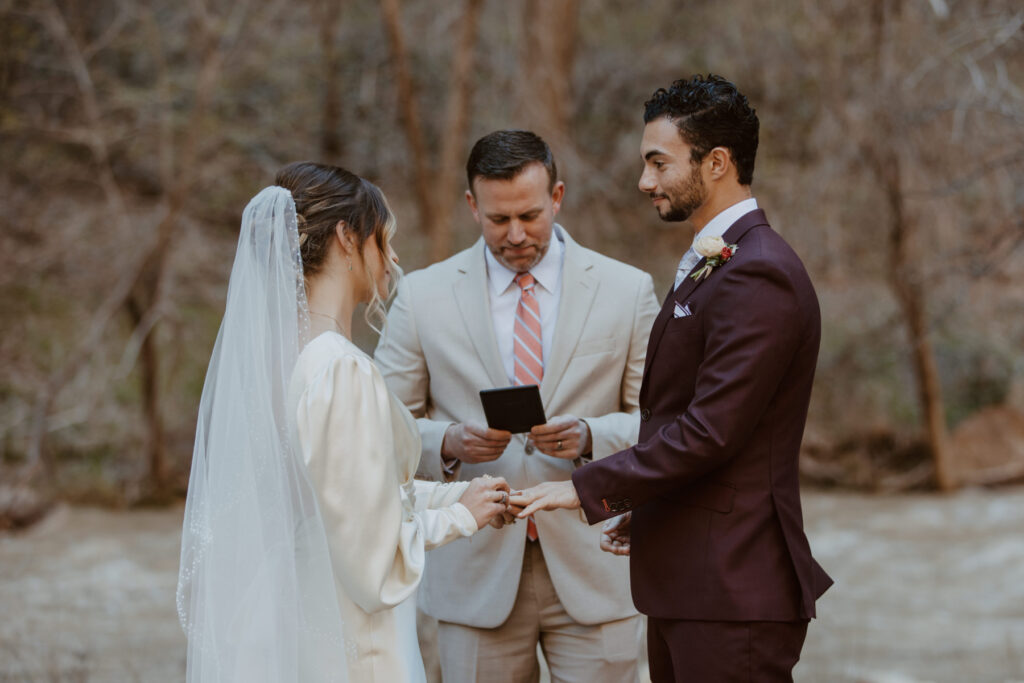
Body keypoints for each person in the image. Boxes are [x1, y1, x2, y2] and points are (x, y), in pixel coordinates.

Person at [513, 75, 834, 682]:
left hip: (733, 590)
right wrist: (659, 507)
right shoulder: (721, 263)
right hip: (694, 580)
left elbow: (711, 431)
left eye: (659, 163)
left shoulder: (759, 274)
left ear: (717, 163)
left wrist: (583, 488)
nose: (644, 181)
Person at [176, 162, 511, 683]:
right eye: (384, 238)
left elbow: (348, 499)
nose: (394, 256)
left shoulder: (282, 362)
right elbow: (372, 558)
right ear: (347, 237)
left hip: (303, 620)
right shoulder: (340, 368)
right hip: (358, 644)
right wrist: (460, 518)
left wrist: (459, 496)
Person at [374, 130, 660, 683]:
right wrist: (449, 443)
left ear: (557, 196)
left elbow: (664, 425)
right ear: (471, 205)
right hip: (473, 571)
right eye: (497, 219)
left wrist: (591, 437)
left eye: (529, 215)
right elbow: (382, 428)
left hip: (596, 563)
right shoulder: (422, 296)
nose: (515, 235)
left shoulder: (627, 291)